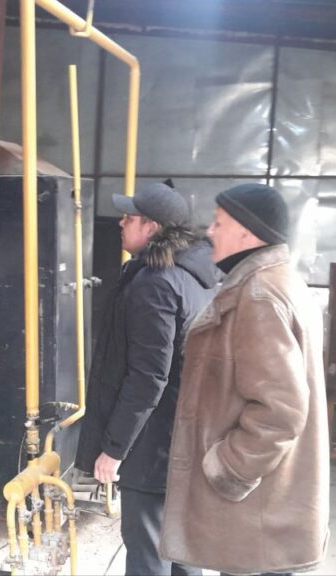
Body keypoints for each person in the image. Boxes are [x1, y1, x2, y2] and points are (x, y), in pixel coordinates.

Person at [159, 183, 329, 576]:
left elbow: (281, 411)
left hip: (257, 516)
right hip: (264, 513)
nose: (209, 232)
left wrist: (229, 469)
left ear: (247, 234)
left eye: (219, 223)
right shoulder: (276, 282)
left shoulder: (259, 296)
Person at [75, 181, 218, 576]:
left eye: (129, 217)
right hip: (183, 439)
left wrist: (114, 449)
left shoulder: (156, 284)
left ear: (151, 227)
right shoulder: (192, 277)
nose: (120, 223)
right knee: (182, 551)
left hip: (151, 448)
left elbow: (147, 377)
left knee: (148, 556)